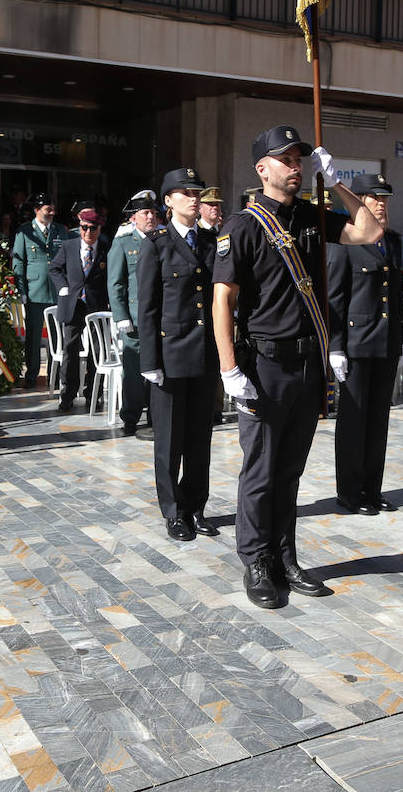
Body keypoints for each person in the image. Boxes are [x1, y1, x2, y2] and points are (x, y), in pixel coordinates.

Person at [212, 125, 383, 609]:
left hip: (308, 365)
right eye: (285, 160)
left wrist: (340, 181)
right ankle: (256, 560)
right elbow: (223, 299)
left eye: (301, 160)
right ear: (262, 168)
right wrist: (229, 369)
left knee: (290, 472)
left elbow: (368, 231)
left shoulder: (311, 215)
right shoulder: (243, 227)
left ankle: (285, 556)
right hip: (265, 367)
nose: (296, 167)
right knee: (261, 472)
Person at [137, 171, 217, 541]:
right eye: (185, 193)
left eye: (196, 192)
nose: (193, 198)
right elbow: (148, 309)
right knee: (169, 441)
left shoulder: (211, 241)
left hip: (205, 355)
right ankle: (173, 512)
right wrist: (150, 362)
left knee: (200, 438)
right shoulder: (156, 244)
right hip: (170, 356)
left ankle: (194, 507)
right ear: (167, 201)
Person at [326, 174, 403, 517]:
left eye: (384, 198)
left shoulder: (390, 240)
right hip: (356, 346)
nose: (381, 204)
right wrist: (336, 346)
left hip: (384, 343)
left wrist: (400, 338)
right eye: (374, 198)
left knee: (378, 422)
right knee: (354, 422)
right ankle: (349, 492)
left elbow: (394, 298)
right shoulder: (345, 241)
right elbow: (335, 296)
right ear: (358, 201)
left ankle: (372, 489)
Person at [49, 209, 110, 412]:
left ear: (99, 229)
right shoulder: (69, 246)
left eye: (93, 229)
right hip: (74, 304)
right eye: (84, 228)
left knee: (96, 350)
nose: (88, 233)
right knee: (70, 349)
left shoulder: (106, 248)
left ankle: (94, 393)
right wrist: (63, 288)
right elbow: (54, 268)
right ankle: (67, 394)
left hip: (96, 305)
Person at [108, 189, 157, 435]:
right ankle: (130, 417)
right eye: (145, 212)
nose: (151, 217)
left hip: (158, 316)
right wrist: (121, 315)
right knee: (134, 372)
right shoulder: (124, 243)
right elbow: (115, 282)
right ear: (134, 218)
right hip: (135, 318)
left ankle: (155, 416)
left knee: (157, 370)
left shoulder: (161, 239)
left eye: (153, 212)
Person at [11, 193, 66, 388]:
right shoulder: (25, 231)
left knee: (56, 335)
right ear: (37, 210)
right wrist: (21, 289)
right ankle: (32, 374)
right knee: (33, 336)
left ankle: (56, 374)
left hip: (57, 291)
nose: (52, 213)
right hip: (34, 290)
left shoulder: (61, 231)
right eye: (47, 209)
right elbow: (18, 261)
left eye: (53, 209)